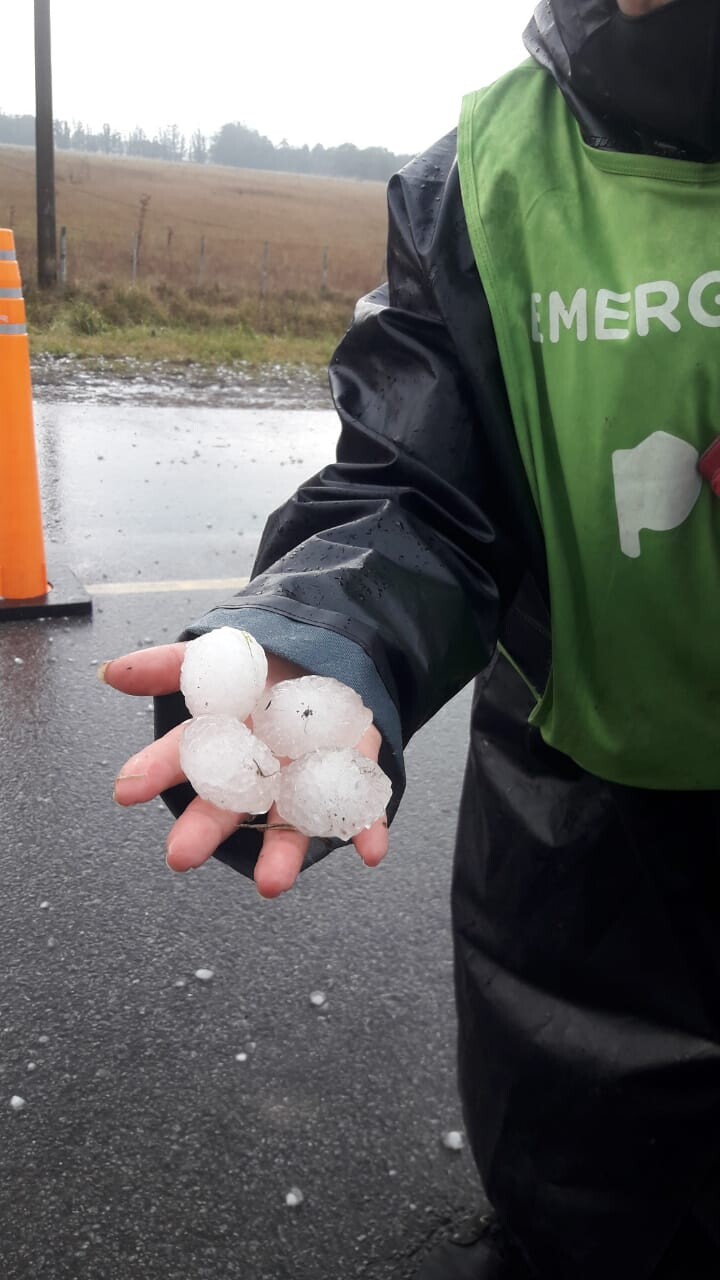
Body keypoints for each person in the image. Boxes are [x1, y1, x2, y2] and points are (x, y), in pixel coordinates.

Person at [102, 1, 720, 1275]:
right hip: (582, 851)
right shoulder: (481, 176)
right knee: (589, 1219)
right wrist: (315, 629)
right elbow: (417, 489)